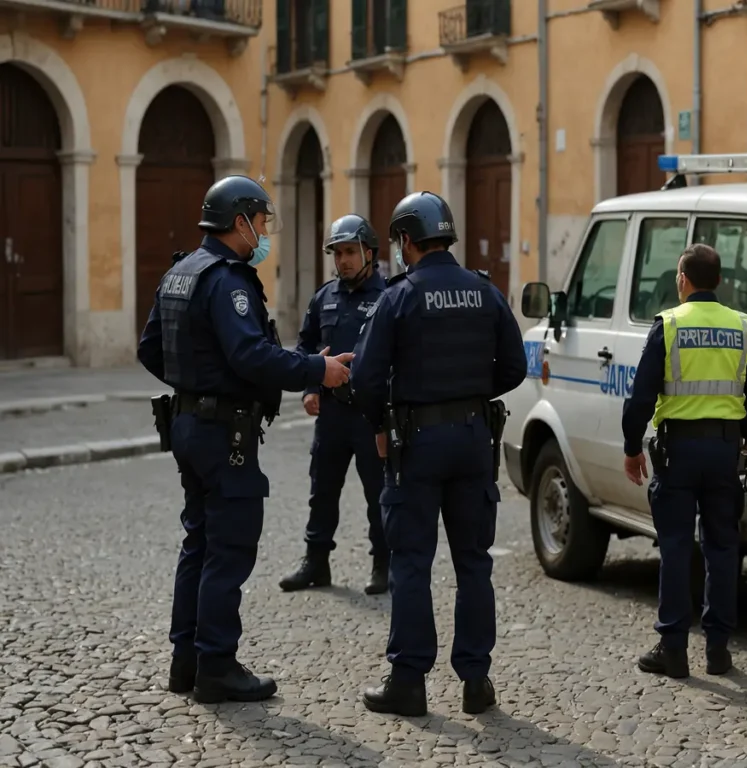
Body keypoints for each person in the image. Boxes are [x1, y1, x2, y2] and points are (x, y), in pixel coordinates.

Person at [137, 175, 355, 703]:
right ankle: (216, 665)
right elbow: (252, 356)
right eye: (260, 222)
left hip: (190, 426)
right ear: (239, 222)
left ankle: (184, 661)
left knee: (199, 541)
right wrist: (316, 370)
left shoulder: (181, 271)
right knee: (228, 548)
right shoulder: (229, 280)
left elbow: (150, 350)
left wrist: (193, 386)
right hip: (222, 432)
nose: (263, 232)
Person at [350, 191, 527, 717]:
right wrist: (471, 393)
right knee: (473, 562)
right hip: (474, 440)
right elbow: (514, 367)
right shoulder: (483, 290)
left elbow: (363, 378)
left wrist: (383, 420)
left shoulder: (398, 297)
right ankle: (476, 681)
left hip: (416, 444)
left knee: (410, 562)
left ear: (406, 240)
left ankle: (408, 681)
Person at [621, 243, 747, 680]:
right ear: (719, 281)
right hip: (724, 452)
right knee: (722, 548)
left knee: (674, 547)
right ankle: (719, 650)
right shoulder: (743, 327)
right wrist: (742, 439)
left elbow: (641, 397)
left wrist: (632, 447)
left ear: (682, 280)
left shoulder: (669, 325)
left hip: (677, 453)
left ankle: (673, 649)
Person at [279, 215, 390, 596]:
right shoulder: (324, 297)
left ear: (369, 253)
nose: (342, 260)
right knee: (322, 489)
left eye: (349, 252)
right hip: (332, 414)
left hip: (371, 414)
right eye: (337, 253)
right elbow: (307, 346)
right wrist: (310, 386)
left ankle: (383, 563)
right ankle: (316, 561)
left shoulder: (389, 296)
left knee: (379, 491)